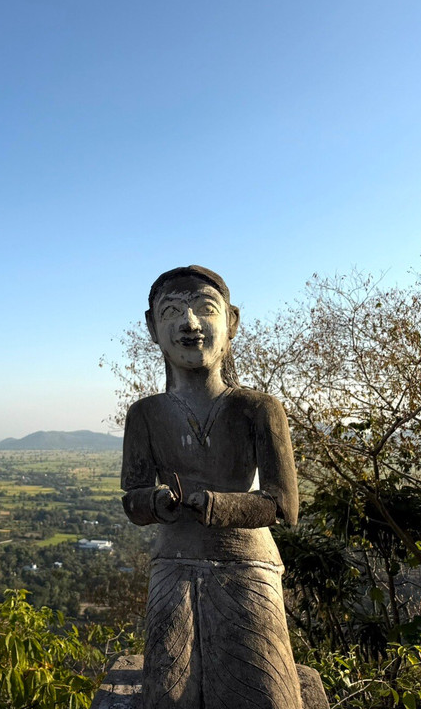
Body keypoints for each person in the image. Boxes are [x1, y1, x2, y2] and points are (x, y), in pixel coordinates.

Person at [121, 266, 302, 708]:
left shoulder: (259, 409)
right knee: (167, 691)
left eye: (205, 309)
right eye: (172, 312)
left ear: (231, 322)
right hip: (174, 558)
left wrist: (215, 506)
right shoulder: (146, 414)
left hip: (246, 562)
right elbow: (134, 498)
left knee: (265, 691)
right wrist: (156, 502)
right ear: (152, 328)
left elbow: (284, 506)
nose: (189, 323)